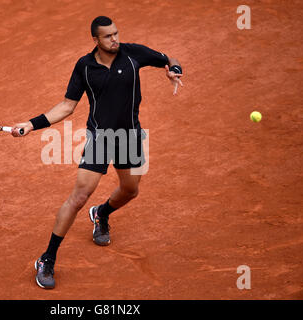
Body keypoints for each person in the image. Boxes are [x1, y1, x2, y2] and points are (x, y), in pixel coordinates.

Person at [11, 16, 183, 289]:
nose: (114, 39)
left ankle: (101, 214)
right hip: (100, 138)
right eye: (108, 36)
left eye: (116, 33)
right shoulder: (85, 66)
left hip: (130, 136)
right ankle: (47, 258)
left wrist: (174, 68)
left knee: (130, 190)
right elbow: (67, 106)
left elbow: (167, 58)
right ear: (96, 40)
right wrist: (32, 125)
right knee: (78, 196)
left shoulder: (132, 53)